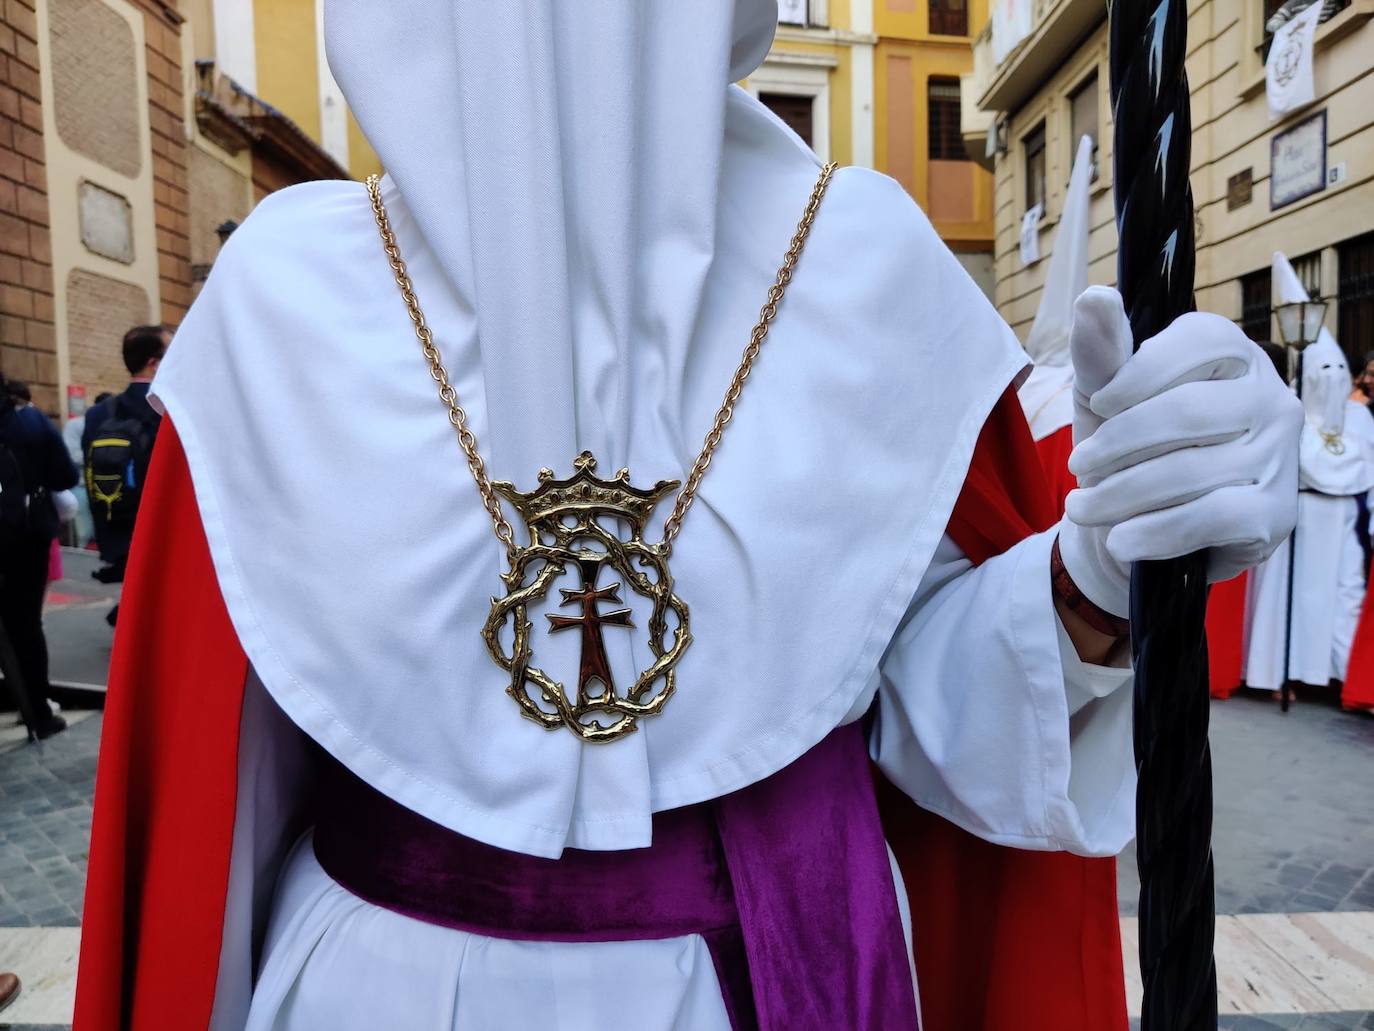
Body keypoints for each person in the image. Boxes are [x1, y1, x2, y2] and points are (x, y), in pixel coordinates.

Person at [73, 5, 1302, 1029]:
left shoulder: (862, 264)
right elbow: (215, 802)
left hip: (789, 968)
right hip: (368, 977)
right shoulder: (285, 294)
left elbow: (914, 699)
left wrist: (1090, 577)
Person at [0, 371, 78, 741]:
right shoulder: (28, 420)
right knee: (25, 624)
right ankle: (38, 713)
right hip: (25, 536)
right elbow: (64, 476)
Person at [82, 327, 167, 627]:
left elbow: (89, 472)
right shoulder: (169, 409)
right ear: (155, 363)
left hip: (114, 521)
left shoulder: (98, 414)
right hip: (161, 529)